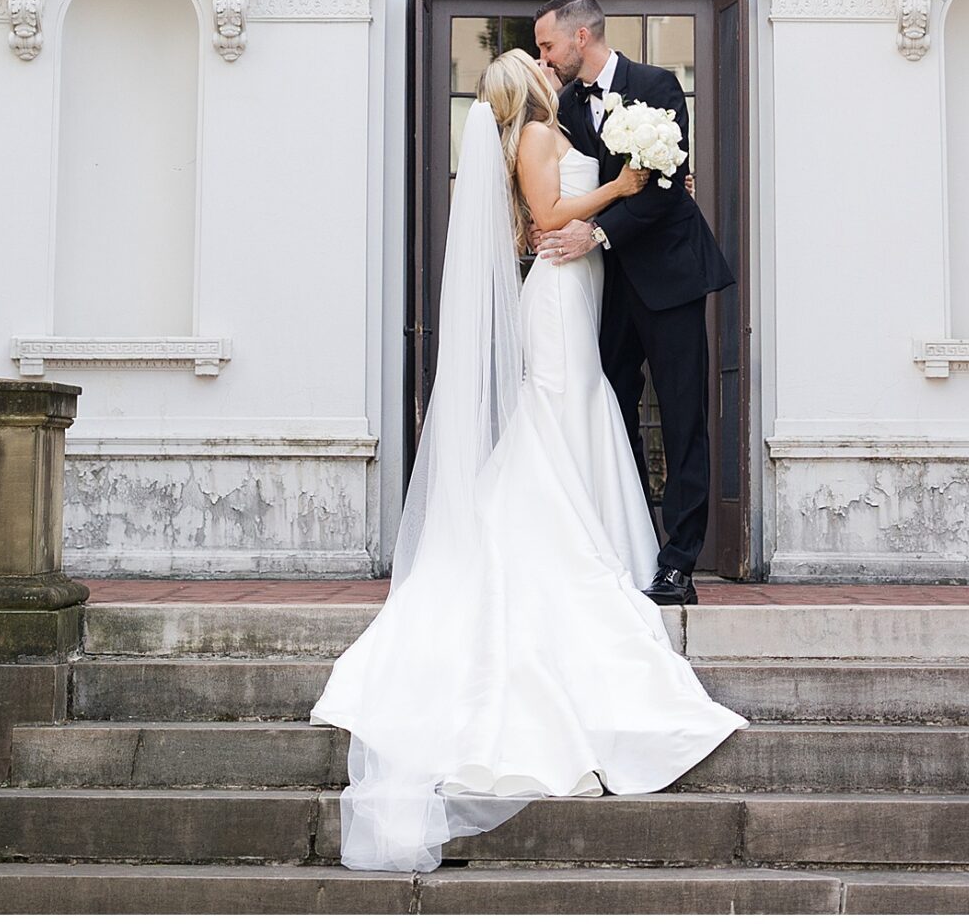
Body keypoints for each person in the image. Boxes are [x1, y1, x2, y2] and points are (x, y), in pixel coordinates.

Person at [311, 47, 742, 873]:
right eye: (536, 62)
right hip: (558, 289)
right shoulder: (541, 134)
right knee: (563, 405)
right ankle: (566, 537)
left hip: (576, 287)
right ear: (529, 89)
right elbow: (548, 219)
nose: (550, 67)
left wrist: (641, 184)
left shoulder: (547, 126)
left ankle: (594, 531)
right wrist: (621, 187)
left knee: (579, 407)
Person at [535, 0, 734, 607]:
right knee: (608, 413)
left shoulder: (658, 84)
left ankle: (679, 563)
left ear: (580, 38)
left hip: (669, 277)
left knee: (681, 419)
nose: (543, 56)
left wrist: (597, 231)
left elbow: (667, 191)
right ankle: (625, 541)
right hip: (605, 283)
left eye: (547, 45)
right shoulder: (565, 105)